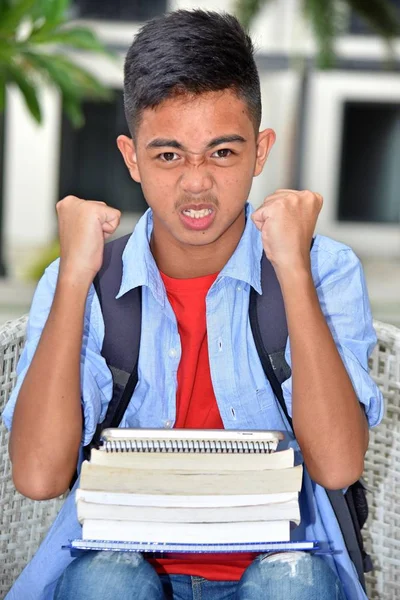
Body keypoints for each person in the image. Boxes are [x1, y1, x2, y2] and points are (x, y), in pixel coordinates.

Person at [3, 9, 383, 600]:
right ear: (132, 158)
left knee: (292, 585)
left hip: (282, 566)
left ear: (260, 152)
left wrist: (291, 270)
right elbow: (37, 475)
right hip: (121, 563)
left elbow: (337, 466)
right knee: (105, 581)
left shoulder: (322, 268)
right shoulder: (85, 277)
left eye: (222, 154)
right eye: (169, 155)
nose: (197, 184)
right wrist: (76, 275)